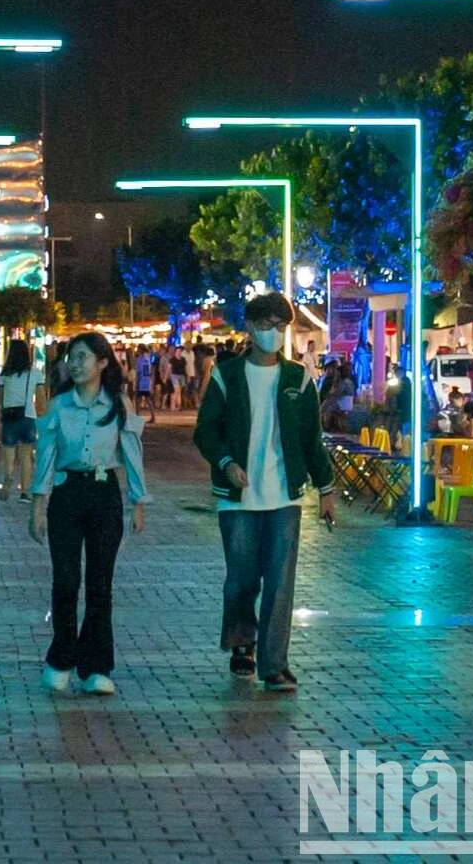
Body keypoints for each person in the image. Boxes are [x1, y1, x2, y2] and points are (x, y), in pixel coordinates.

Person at [192, 292, 337, 693]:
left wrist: (326, 489)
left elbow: (312, 439)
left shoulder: (298, 378)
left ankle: (275, 664)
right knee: (241, 578)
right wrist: (226, 463)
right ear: (250, 328)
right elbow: (206, 431)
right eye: (266, 324)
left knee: (279, 582)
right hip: (237, 497)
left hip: (284, 497)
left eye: (280, 326)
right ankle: (242, 644)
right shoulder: (228, 375)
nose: (273, 333)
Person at [29, 332, 150, 697]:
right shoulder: (58, 406)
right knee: (65, 580)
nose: (75, 364)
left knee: (100, 584)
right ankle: (61, 658)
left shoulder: (119, 405)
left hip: (104, 496)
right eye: (71, 357)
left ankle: (96, 665)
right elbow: (46, 457)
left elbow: (132, 454)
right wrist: (38, 504)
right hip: (67, 494)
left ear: (102, 363)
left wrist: (138, 502)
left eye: (83, 357)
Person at [0, 340, 45, 504]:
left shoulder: (4, 374)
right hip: (28, 417)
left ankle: (8, 477)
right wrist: (43, 416)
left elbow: (0, 398)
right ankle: (25, 492)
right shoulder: (35, 373)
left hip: (9, 417)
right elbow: (40, 399)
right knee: (26, 458)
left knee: (8, 454)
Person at [133, 347, 156, 418]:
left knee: (137, 400)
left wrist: (136, 383)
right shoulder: (148, 359)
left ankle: (137, 415)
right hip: (147, 382)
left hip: (141, 382)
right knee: (148, 399)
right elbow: (151, 371)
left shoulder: (139, 360)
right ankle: (153, 416)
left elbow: (138, 372)